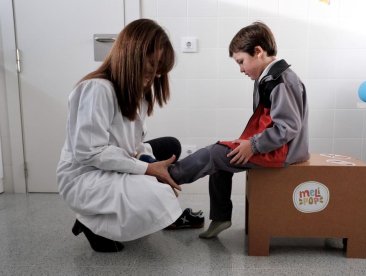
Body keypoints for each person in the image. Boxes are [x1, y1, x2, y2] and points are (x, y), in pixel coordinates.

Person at [56, 19, 202, 253]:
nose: (154, 75)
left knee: (168, 152)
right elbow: (89, 152)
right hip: (85, 177)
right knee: (156, 196)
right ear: (131, 54)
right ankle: (90, 222)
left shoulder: (138, 95)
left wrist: (152, 165)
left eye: (159, 69)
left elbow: (134, 145)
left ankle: (106, 216)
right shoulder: (97, 89)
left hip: (111, 166)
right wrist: (148, 171)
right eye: (152, 64)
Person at [169, 22, 309, 239]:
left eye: (241, 62)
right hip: (272, 144)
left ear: (258, 51)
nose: (241, 69)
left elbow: (288, 127)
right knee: (221, 156)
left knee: (215, 153)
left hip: (283, 150)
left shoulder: (282, 81)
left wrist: (253, 145)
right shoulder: (269, 77)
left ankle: (167, 176)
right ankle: (221, 217)